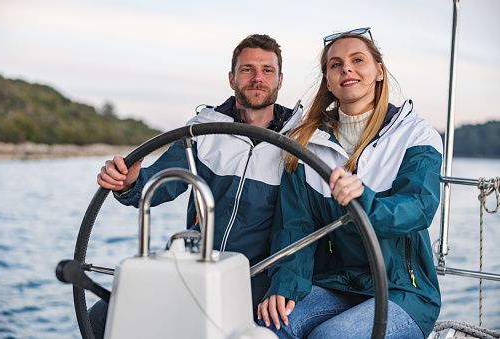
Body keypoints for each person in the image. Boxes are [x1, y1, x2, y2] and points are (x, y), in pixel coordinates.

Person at [88, 34, 302, 339]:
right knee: (101, 319)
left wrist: (286, 284)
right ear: (231, 78)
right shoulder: (204, 128)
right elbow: (164, 178)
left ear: (280, 80)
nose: (257, 78)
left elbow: (304, 221)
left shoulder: (302, 139)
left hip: (259, 276)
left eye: (267, 70)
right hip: (197, 262)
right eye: (247, 69)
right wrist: (131, 181)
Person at [257, 27, 442, 339]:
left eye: (358, 60)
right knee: (272, 326)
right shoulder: (305, 144)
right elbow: (295, 227)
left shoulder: (415, 135)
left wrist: (364, 201)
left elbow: (418, 209)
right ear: (328, 81)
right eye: (335, 64)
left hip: (403, 292)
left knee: (330, 337)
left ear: (379, 72)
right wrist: (285, 285)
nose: (347, 68)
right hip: (337, 283)